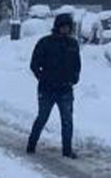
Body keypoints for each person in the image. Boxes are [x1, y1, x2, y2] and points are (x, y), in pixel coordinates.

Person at [27, 13, 81, 157]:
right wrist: (42, 78)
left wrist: (74, 78)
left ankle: (67, 150)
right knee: (42, 117)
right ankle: (31, 144)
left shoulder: (73, 44)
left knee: (67, 121)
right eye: (63, 27)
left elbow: (77, 64)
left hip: (65, 89)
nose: (66, 30)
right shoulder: (45, 43)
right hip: (47, 89)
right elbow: (34, 64)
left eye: (68, 27)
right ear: (57, 27)